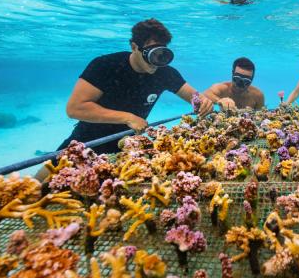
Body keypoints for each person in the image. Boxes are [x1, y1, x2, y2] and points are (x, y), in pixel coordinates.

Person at [37, 18, 213, 180]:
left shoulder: (165, 73)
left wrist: (208, 102)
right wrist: (127, 117)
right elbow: (74, 108)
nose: (156, 62)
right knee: (35, 188)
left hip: (126, 150)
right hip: (87, 142)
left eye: (162, 54)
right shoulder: (105, 65)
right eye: (151, 54)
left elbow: (196, 98)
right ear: (134, 46)